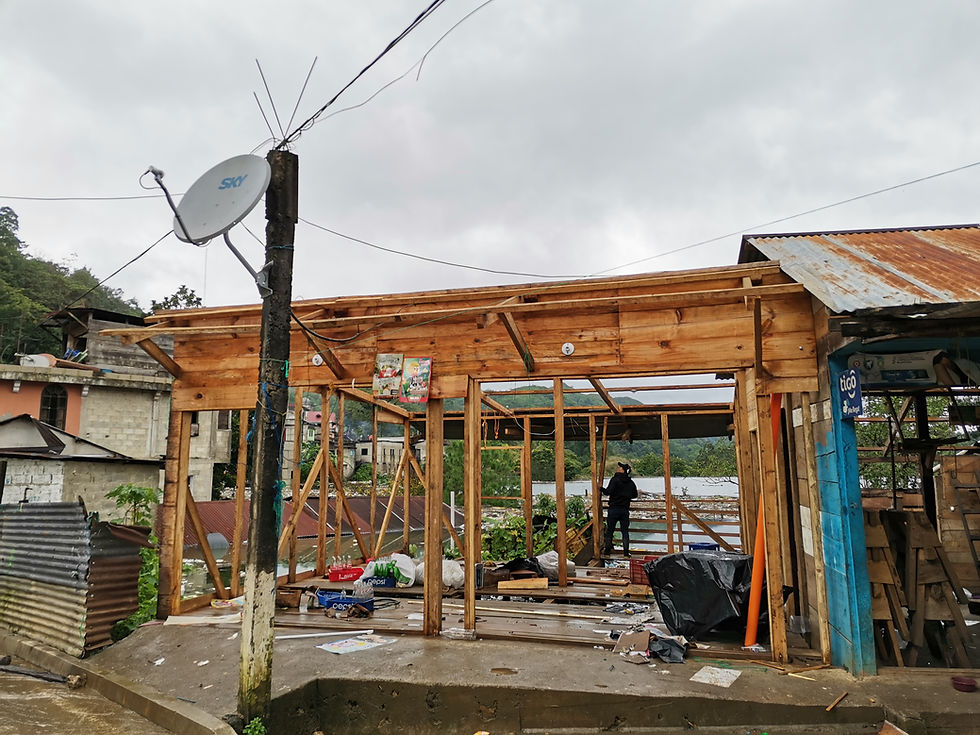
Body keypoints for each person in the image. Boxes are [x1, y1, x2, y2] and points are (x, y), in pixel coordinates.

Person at [601, 462, 638, 557]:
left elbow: (608, 492)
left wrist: (600, 488)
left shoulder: (615, 480)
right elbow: (635, 495)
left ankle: (607, 552)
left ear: (622, 470)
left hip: (614, 508)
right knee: (625, 531)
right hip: (624, 509)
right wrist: (626, 496)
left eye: (620, 467)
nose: (618, 468)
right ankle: (626, 553)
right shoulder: (630, 482)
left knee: (610, 530)